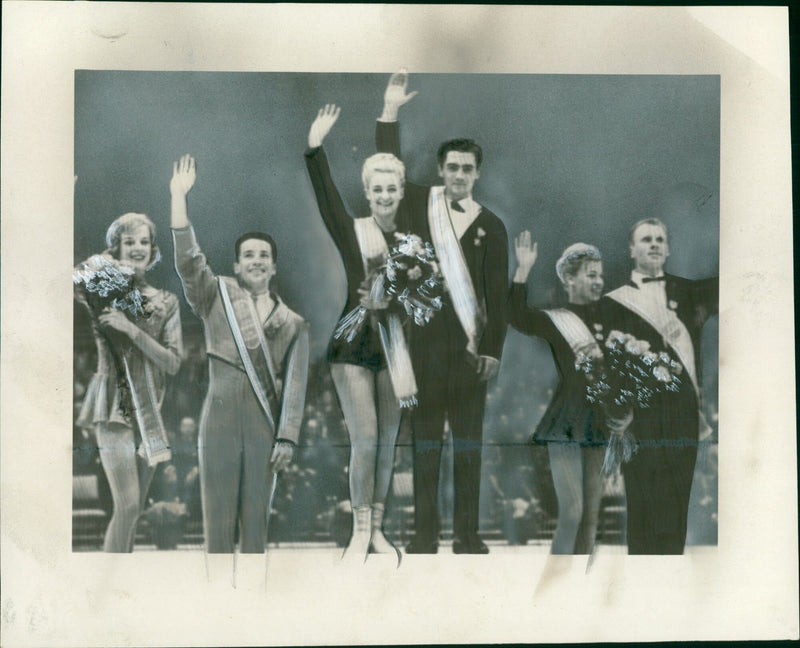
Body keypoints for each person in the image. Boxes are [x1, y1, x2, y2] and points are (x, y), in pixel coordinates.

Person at [376, 70, 509, 554]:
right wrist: (390, 111)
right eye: (450, 167)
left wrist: (493, 351)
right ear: (439, 170)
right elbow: (385, 166)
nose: (457, 175)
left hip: (471, 353)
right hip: (427, 350)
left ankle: (467, 534)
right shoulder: (420, 204)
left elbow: (499, 295)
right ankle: (425, 533)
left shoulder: (492, 226)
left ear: (478, 173)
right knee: (426, 445)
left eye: (466, 168)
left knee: (469, 447)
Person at [170, 154, 309, 553]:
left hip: (266, 426)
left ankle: (252, 604)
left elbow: (296, 389)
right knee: (216, 524)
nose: (257, 260)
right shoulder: (217, 294)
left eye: (264, 255)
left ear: (274, 267)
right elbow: (188, 262)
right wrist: (179, 197)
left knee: (255, 528)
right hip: (218, 419)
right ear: (236, 264)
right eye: (249, 254)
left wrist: (288, 438)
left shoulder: (295, 323)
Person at [304, 104, 418, 562]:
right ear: (367, 193)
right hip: (352, 346)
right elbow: (326, 195)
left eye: (392, 188)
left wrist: (389, 113)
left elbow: (423, 293)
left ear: (401, 192)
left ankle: (378, 531)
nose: (385, 195)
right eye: (377, 189)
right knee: (366, 438)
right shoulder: (353, 230)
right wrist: (314, 147)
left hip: (397, 347)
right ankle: (359, 530)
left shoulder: (415, 238)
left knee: (388, 441)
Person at [601, 218, 718, 554]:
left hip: (684, 418)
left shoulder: (691, 292)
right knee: (642, 513)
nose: (653, 244)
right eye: (646, 239)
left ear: (667, 249)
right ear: (632, 249)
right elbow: (608, 366)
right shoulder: (613, 303)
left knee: (675, 515)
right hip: (641, 422)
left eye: (659, 239)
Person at [74, 213, 183, 552]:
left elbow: (174, 363)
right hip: (113, 406)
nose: (137, 248)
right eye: (129, 241)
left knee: (132, 514)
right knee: (128, 505)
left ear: (153, 249)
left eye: (144, 241)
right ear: (117, 247)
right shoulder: (101, 289)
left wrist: (130, 328)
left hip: (150, 407)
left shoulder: (167, 301)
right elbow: (78, 273)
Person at [507, 232, 608, 554]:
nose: (599, 281)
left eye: (600, 275)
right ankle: (558, 588)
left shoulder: (612, 318)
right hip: (566, 420)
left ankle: (582, 592)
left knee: (591, 518)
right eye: (591, 275)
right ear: (569, 279)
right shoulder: (557, 320)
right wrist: (522, 271)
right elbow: (517, 316)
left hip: (602, 420)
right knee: (573, 512)